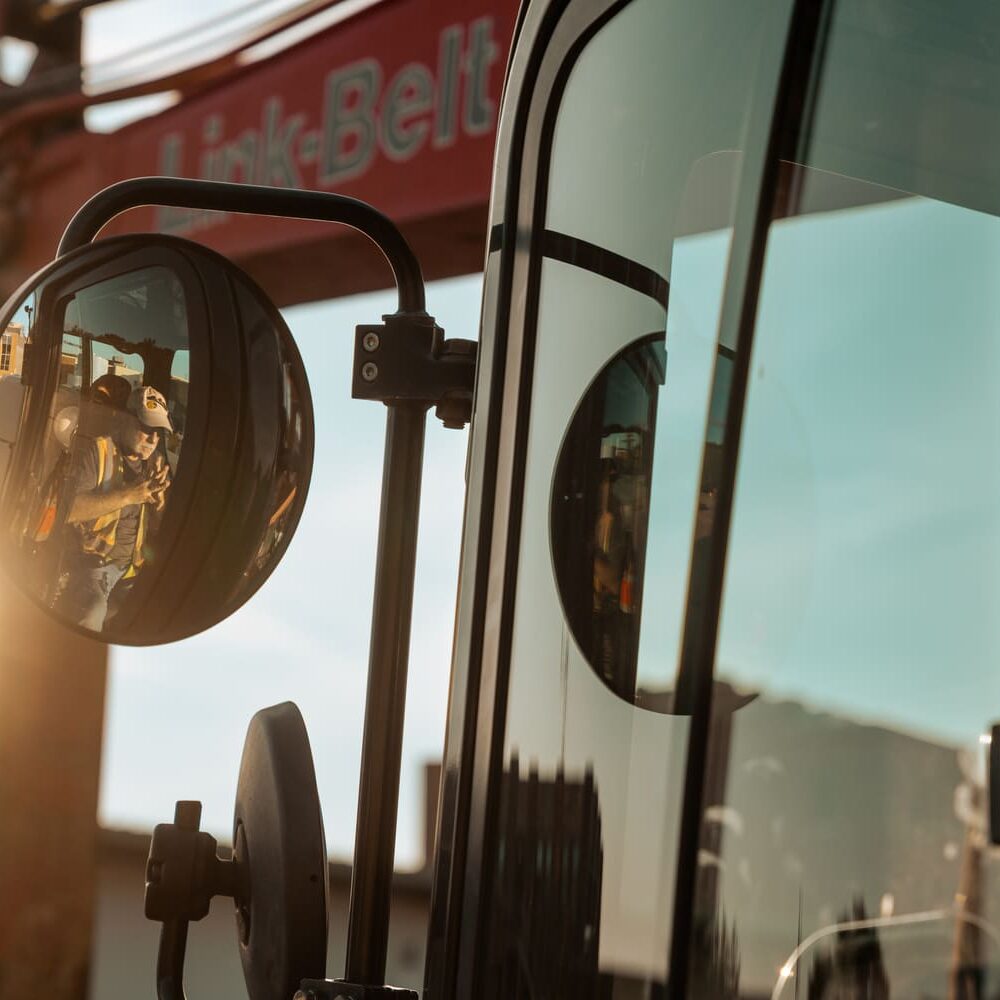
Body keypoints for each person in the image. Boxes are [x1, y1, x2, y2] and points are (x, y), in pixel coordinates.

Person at [53, 382, 172, 630]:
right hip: (93, 566)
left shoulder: (155, 465)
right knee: (92, 614)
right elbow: (69, 510)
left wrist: (160, 504)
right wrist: (130, 495)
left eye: (158, 432)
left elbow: (162, 526)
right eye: (146, 427)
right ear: (124, 419)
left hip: (132, 571)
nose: (153, 439)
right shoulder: (98, 451)